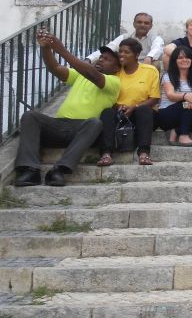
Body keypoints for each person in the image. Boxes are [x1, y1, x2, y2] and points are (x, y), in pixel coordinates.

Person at [14, 31, 121, 187]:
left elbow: (93, 75)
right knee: (30, 116)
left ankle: (59, 171)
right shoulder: (80, 75)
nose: (101, 60)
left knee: (95, 123)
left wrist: (61, 50)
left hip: (82, 131)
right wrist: (46, 48)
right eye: (101, 57)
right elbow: (55, 67)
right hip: (59, 125)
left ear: (116, 68)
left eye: (107, 60)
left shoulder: (114, 82)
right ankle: (30, 170)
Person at [97, 39, 160, 167]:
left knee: (144, 110)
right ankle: (106, 154)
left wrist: (134, 107)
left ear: (136, 55)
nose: (122, 54)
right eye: (120, 51)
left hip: (141, 114)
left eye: (127, 52)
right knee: (107, 112)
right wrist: (120, 107)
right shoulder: (115, 71)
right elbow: (109, 96)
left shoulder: (150, 70)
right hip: (119, 113)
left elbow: (154, 98)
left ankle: (144, 153)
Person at [158, 47, 192, 147]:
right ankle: (183, 135)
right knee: (188, 103)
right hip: (167, 114)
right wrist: (185, 96)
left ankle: (176, 131)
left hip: (187, 111)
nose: (184, 60)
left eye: (188, 57)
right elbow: (170, 95)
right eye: (180, 58)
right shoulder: (168, 76)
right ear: (175, 61)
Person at [87, 12, 164, 66]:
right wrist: (89, 59)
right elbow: (110, 48)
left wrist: (149, 57)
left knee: (156, 64)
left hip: (145, 65)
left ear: (151, 26)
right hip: (126, 63)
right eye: (139, 22)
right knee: (100, 60)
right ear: (134, 24)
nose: (142, 25)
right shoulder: (125, 37)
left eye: (146, 23)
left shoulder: (155, 38)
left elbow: (157, 48)